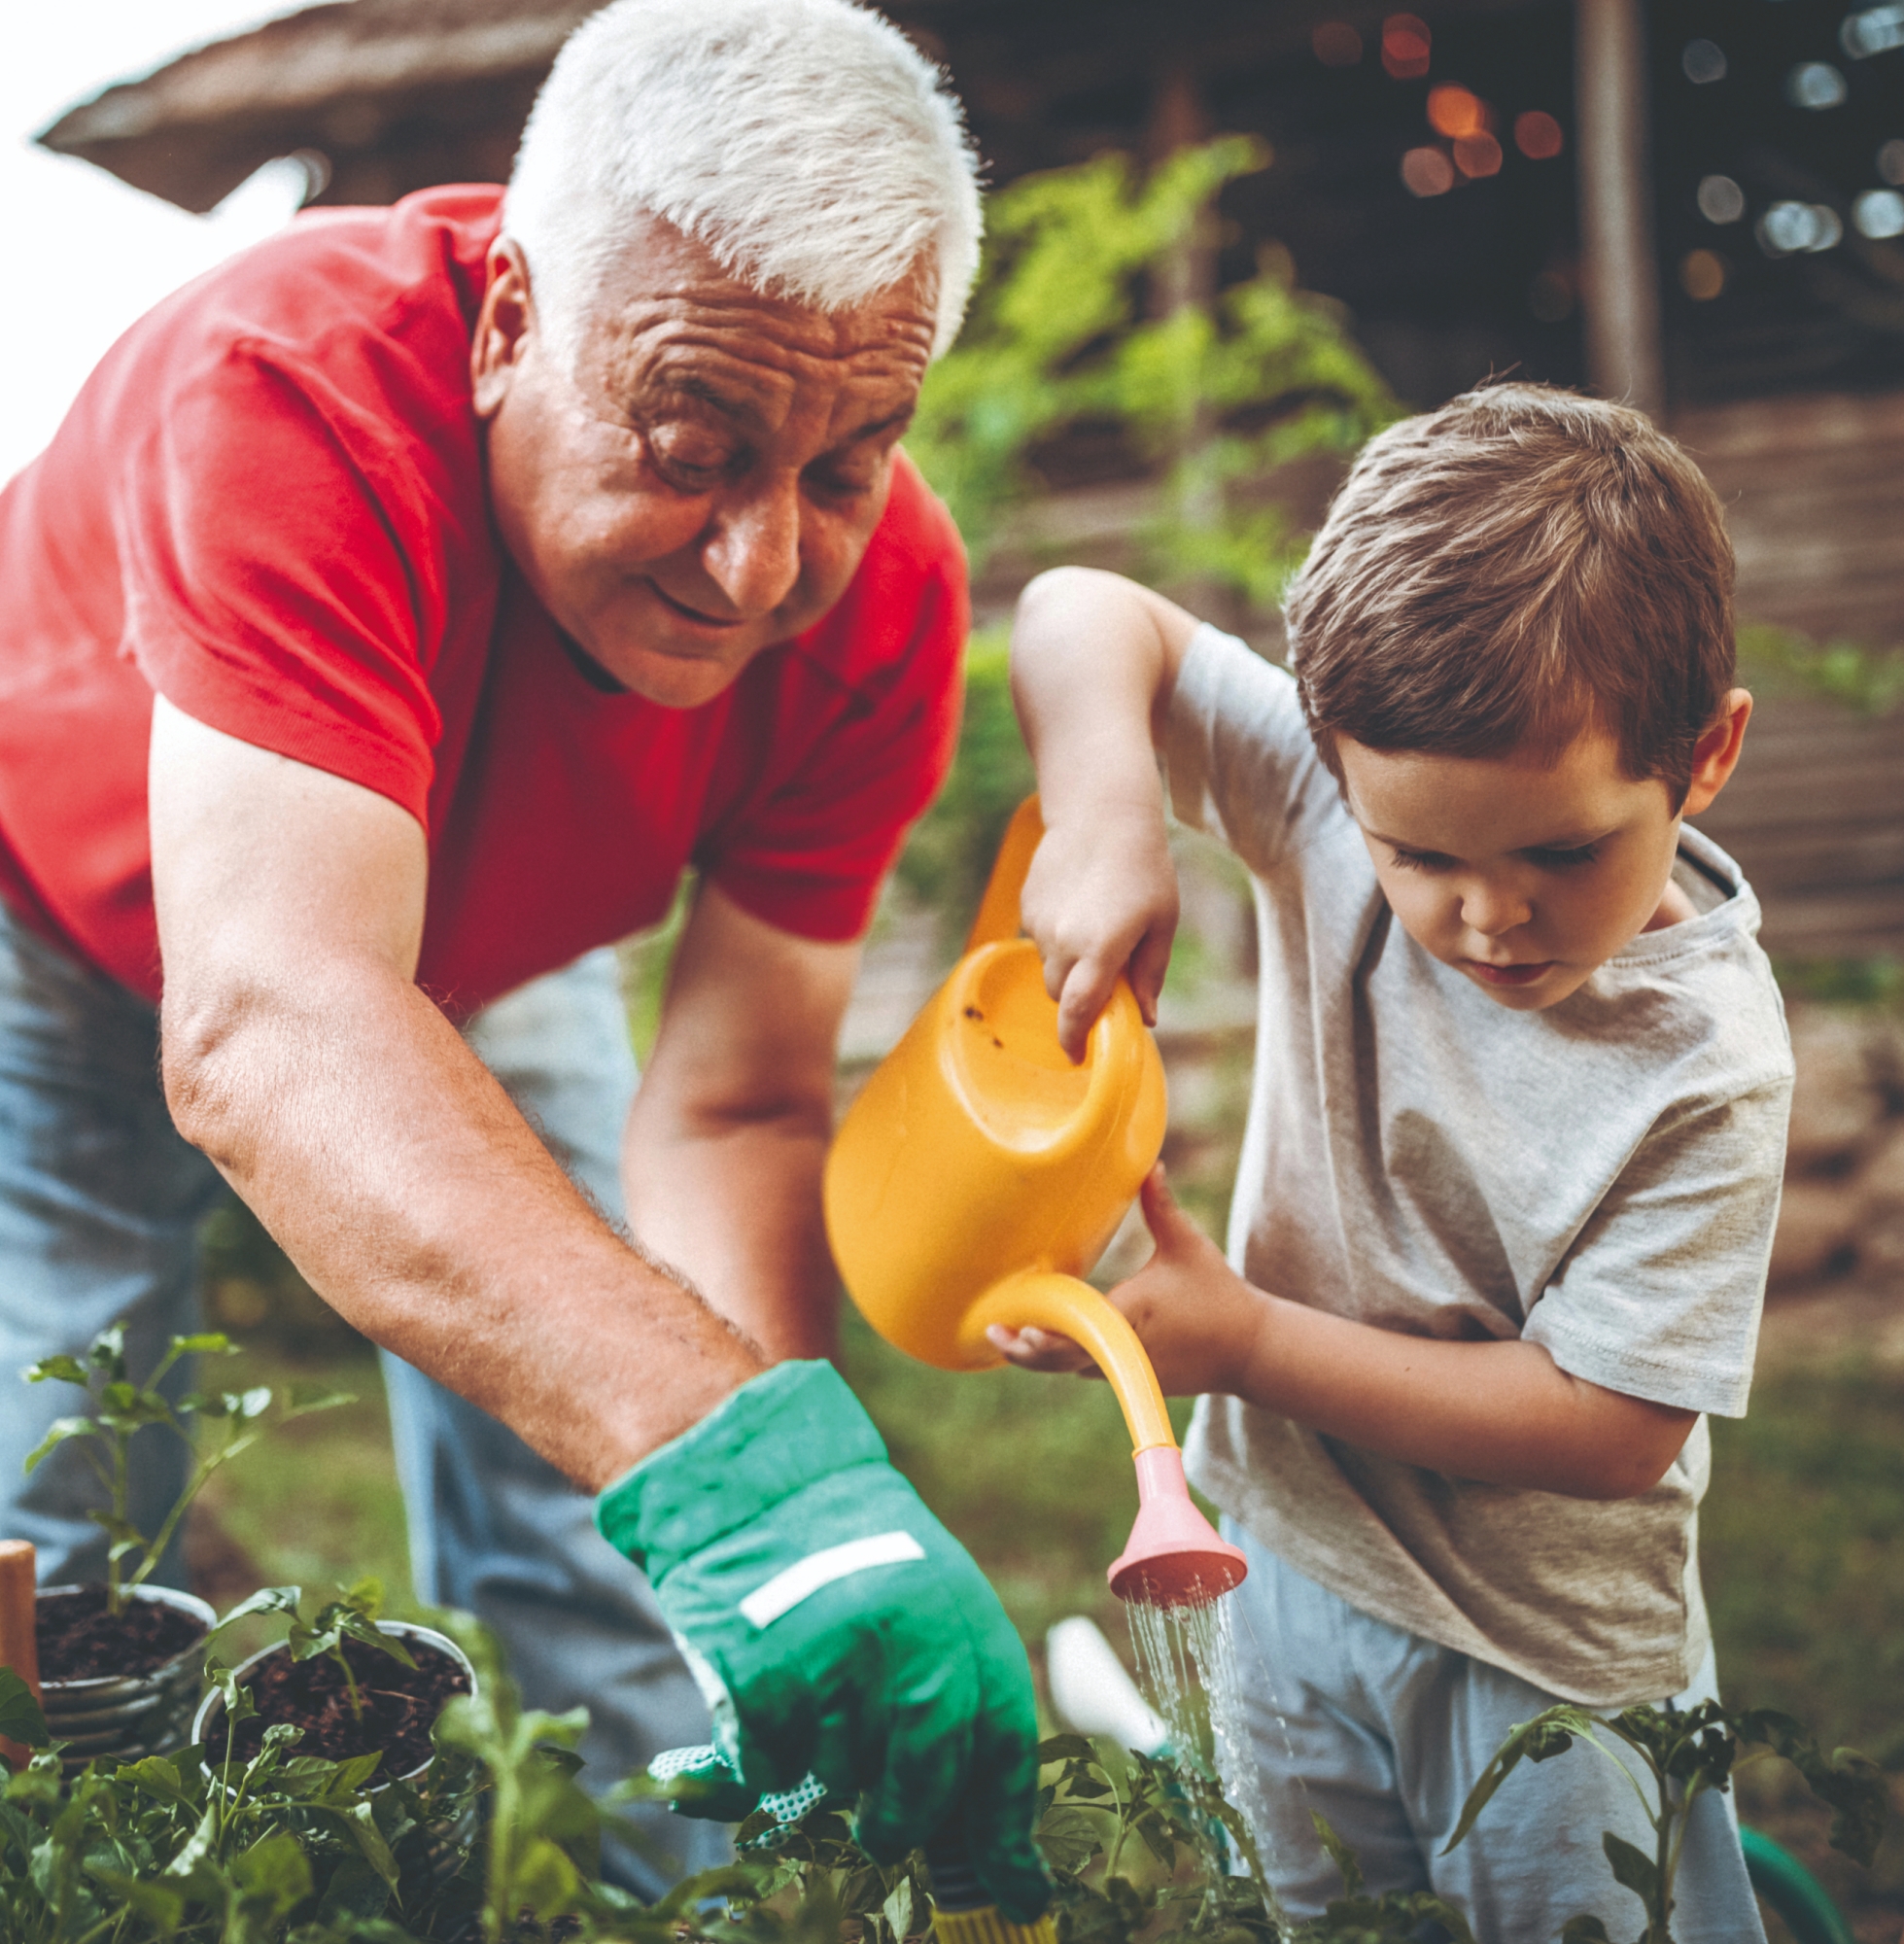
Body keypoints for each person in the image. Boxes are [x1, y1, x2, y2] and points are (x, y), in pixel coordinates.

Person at [0, 0, 1048, 1913]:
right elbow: (279, 1022)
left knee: (607, 1503)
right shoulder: (289, 391)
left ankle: (680, 1896)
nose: (758, 569)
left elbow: (732, 1102)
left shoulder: (879, 598)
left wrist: (794, 1505)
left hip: (472, 942)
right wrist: (726, 1455)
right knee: (70, 1482)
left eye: (843, 462)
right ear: (506, 324)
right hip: (64, 913)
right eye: (691, 443)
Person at [997, 385, 1786, 1940]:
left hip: (1545, 1659)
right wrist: (1106, 812)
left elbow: (1612, 1426)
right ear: (1331, 760)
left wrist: (1245, 1342)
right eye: (1420, 857)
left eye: (1561, 853)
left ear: (1704, 757)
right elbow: (1079, 609)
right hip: (1280, 1563)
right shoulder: (1318, 795)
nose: (1489, 919)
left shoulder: (1704, 1062)